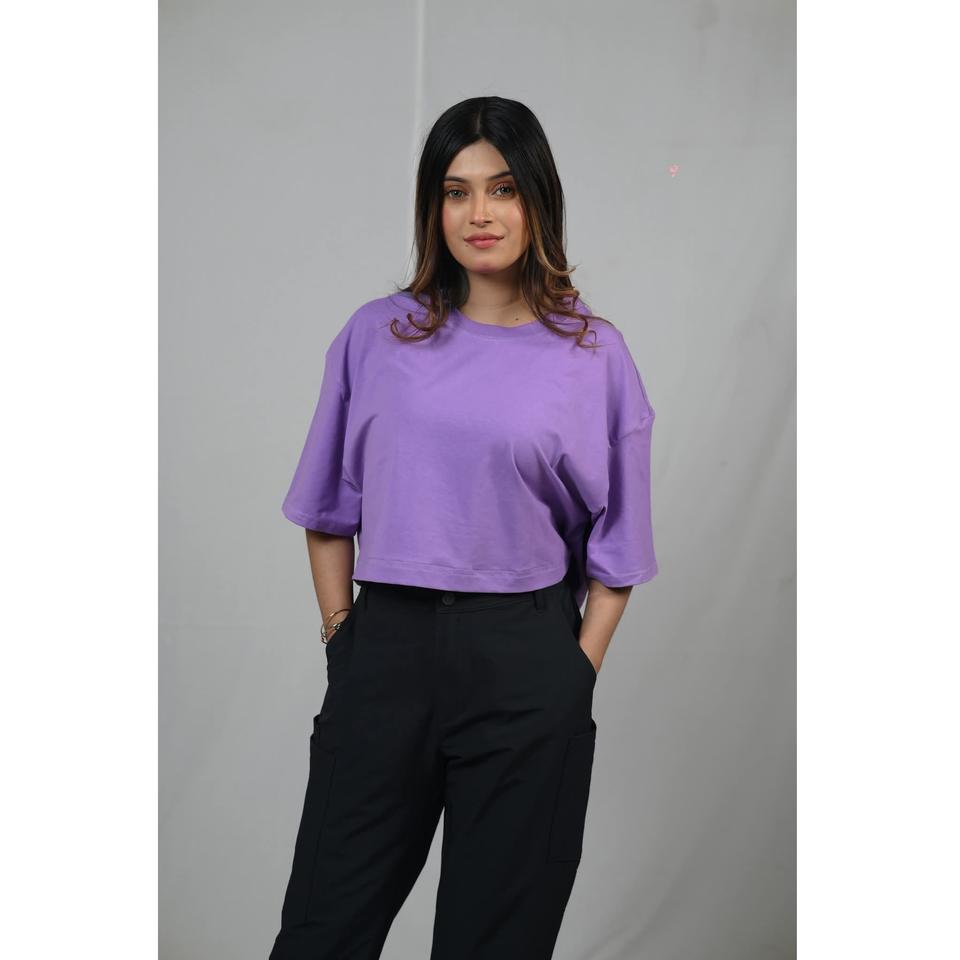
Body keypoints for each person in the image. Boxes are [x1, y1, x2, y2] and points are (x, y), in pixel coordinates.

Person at [267, 96, 659, 960]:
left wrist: (572, 675)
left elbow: (620, 551)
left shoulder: (594, 354)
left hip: (525, 660)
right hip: (386, 653)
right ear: (433, 208)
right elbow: (327, 510)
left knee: (494, 946)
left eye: (503, 189)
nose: (480, 213)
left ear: (538, 201)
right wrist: (343, 637)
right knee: (323, 934)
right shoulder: (375, 336)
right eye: (456, 191)